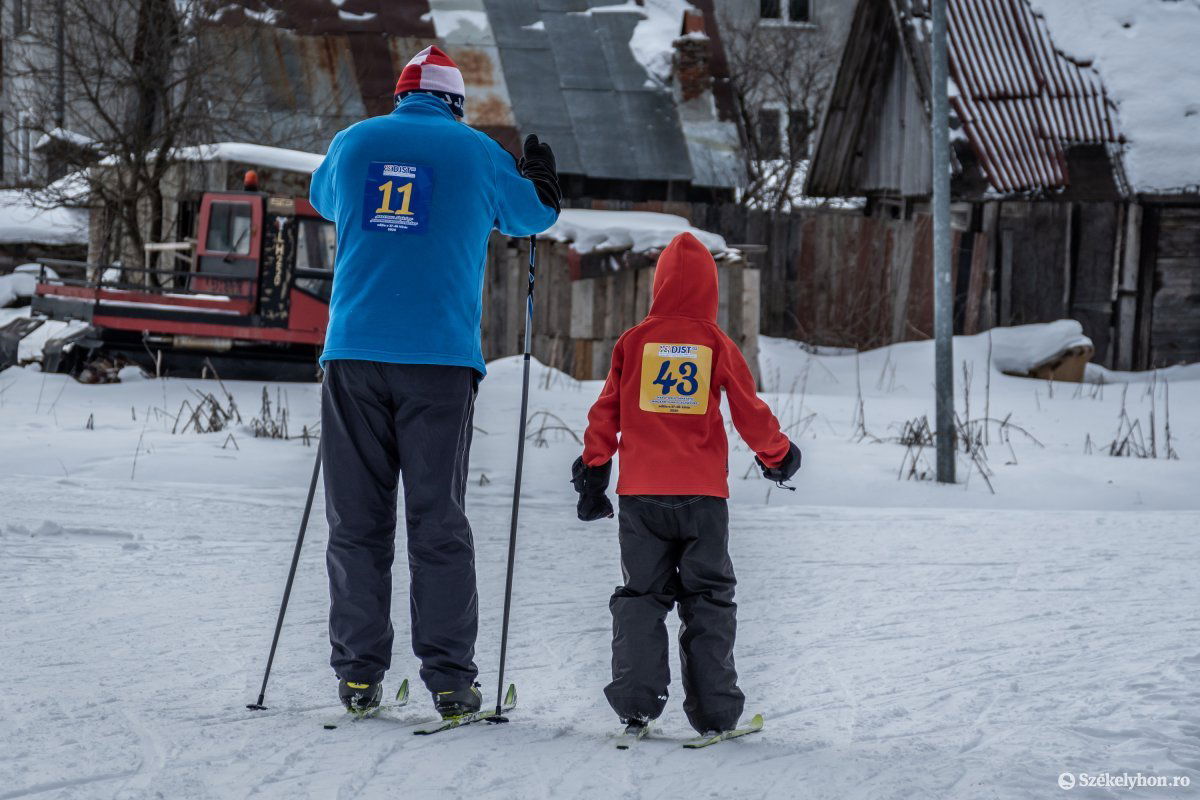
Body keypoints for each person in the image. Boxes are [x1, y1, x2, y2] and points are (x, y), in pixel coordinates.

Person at [308, 45, 561, 718]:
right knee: (436, 521)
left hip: (354, 354)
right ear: (456, 102)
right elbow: (533, 217)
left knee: (355, 522)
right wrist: (540, 179)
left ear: (400, 96)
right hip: (440, 363)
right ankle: (451, 681)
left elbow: (322, 196)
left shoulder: (355, 141)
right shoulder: (477, 154)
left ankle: (358, 677)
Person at [570, 232, 802, 736]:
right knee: (709, 600)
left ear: (659, 286)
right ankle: (717, 713)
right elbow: (748, 408)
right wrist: (777, 455)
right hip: (702, 499)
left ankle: (635, 704)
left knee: (641, 597)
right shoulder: (714, 343)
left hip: (640, 497)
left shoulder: (633, 341)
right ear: (709, 289)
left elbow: (604, 410)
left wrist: (594, 469)